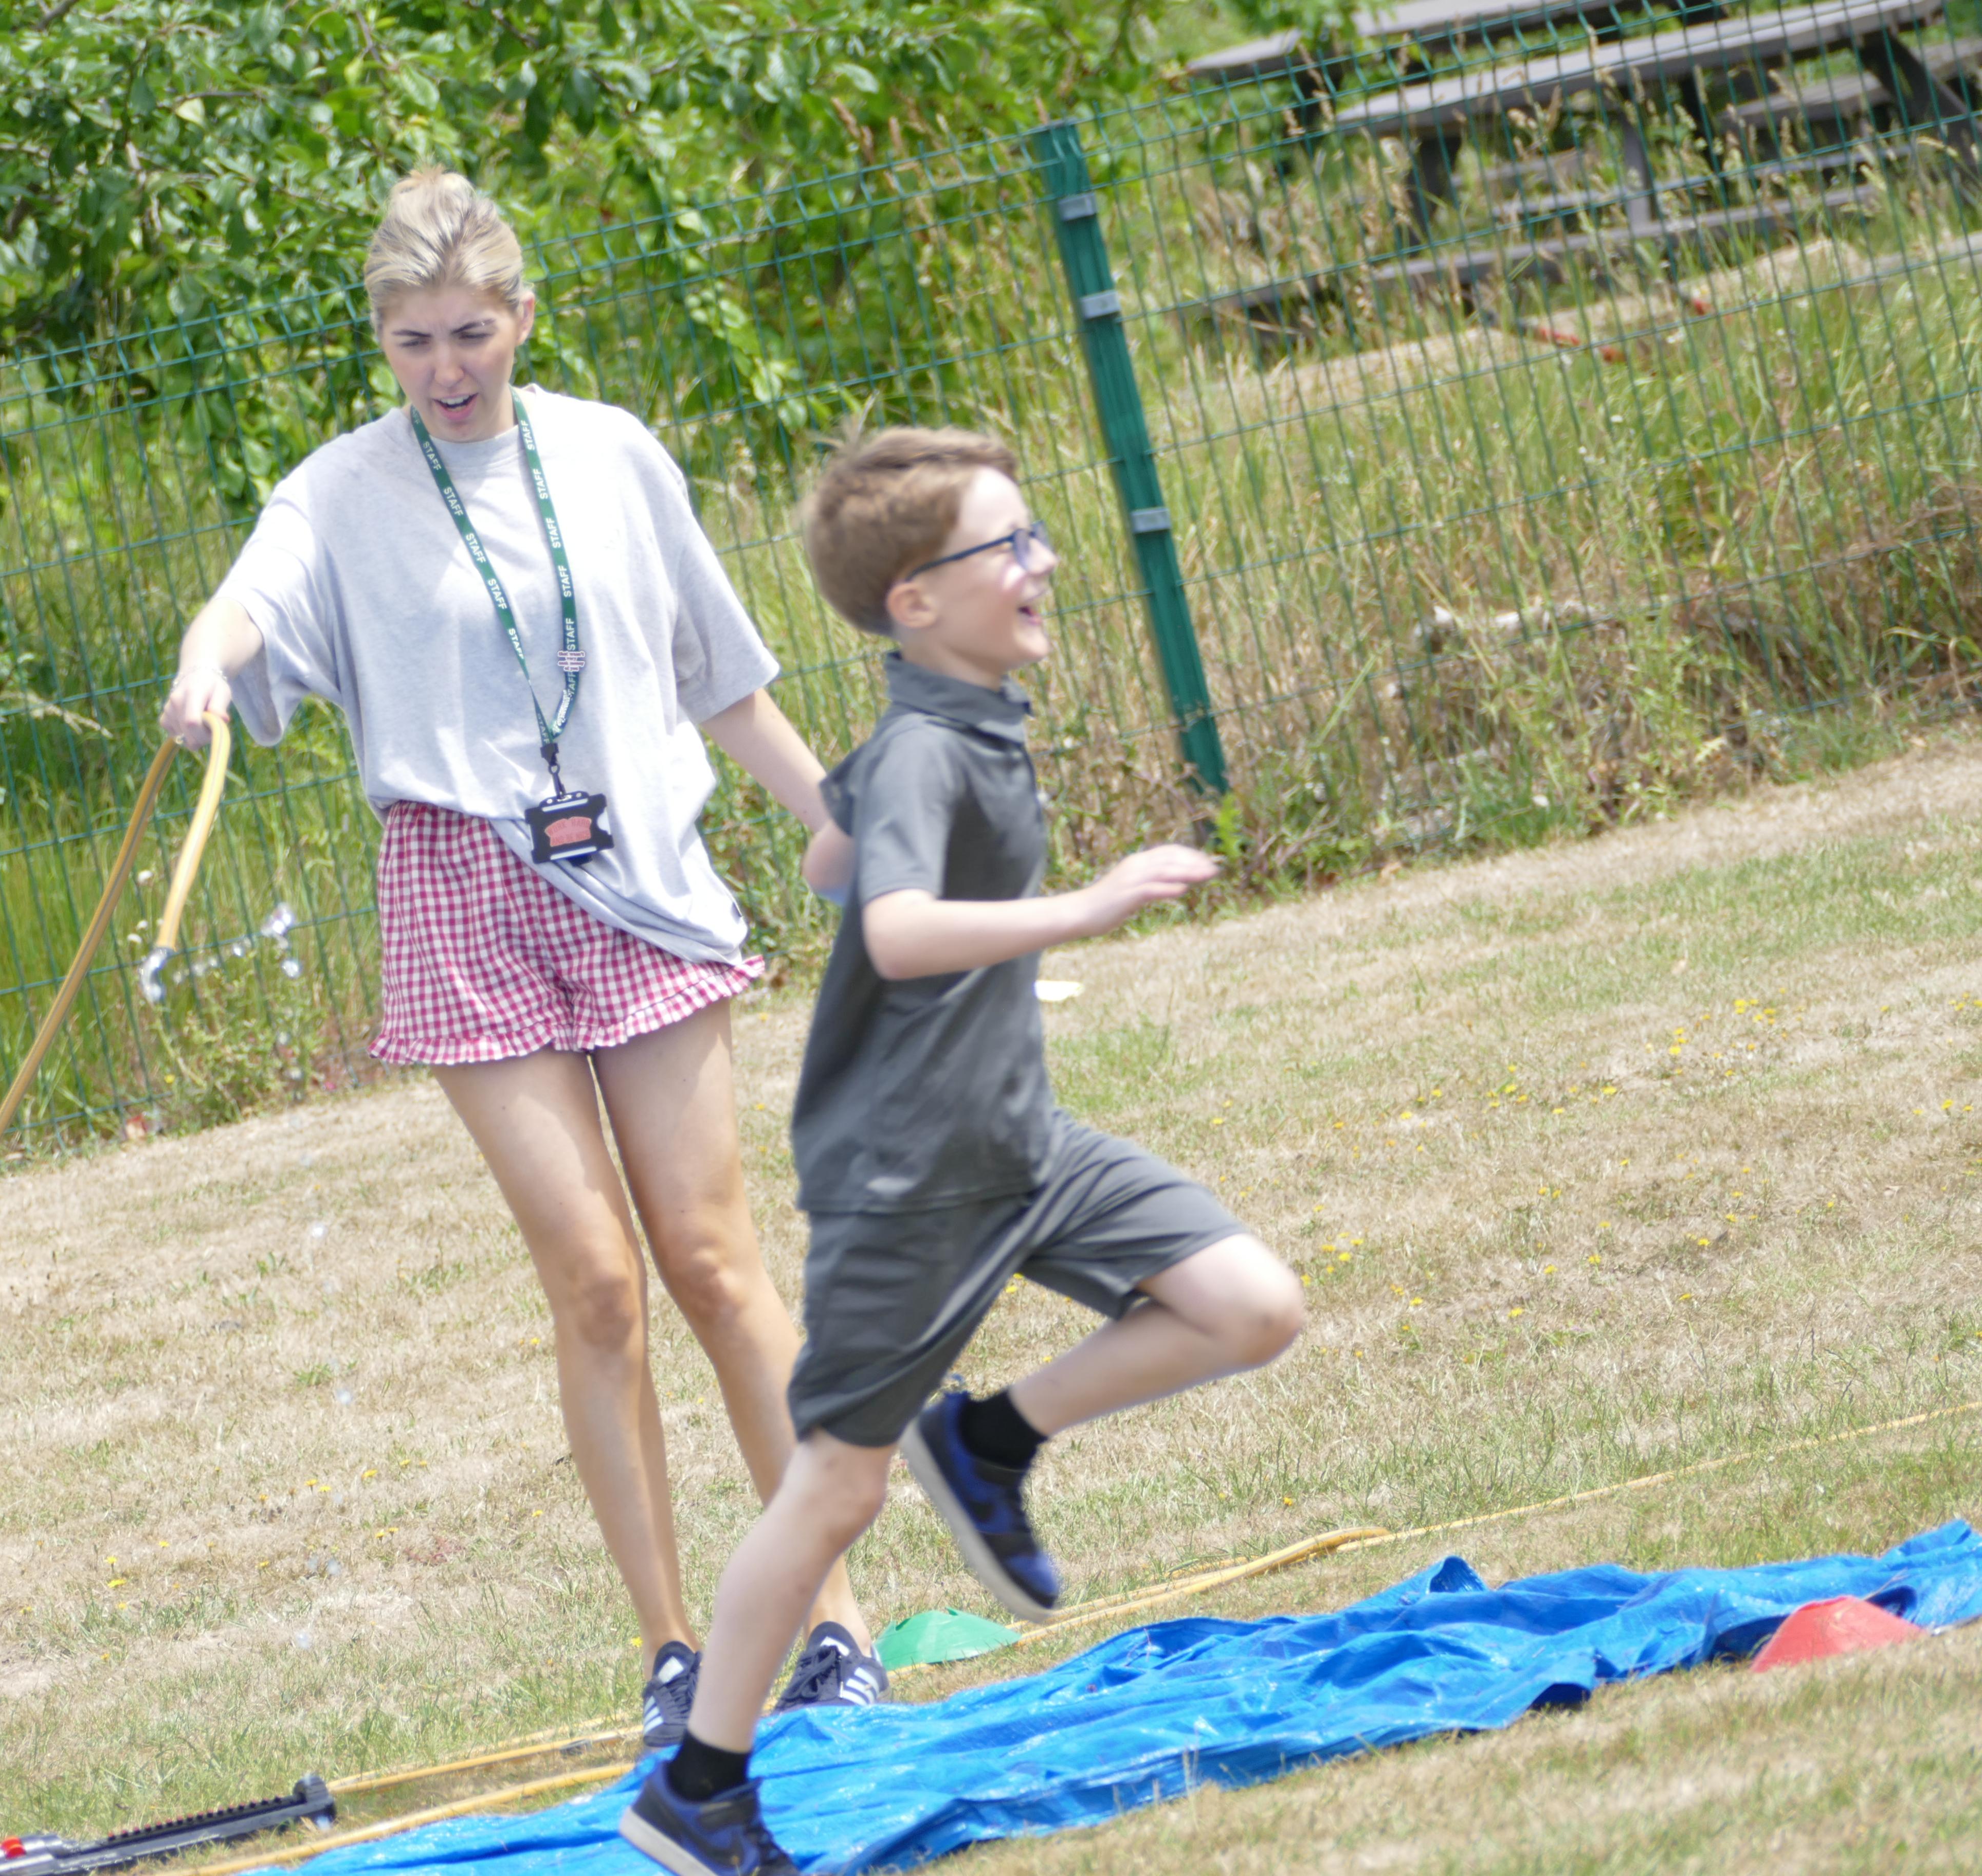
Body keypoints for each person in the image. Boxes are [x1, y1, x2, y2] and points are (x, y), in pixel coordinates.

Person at [157, 168, 879, 1745]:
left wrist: (846, 821)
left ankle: (832, 1624)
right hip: (461, 894)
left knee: (713, 1262)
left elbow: (718, 678)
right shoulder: (338, 493)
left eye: (471, 334)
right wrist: (204, 669)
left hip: (636, 875)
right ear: (381, 340)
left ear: (523, 316)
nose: (446, 369)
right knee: (599, 1285)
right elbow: (244, 607)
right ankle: (673, 1651)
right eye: (412, 341)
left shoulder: (612, 455)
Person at [620, 426, 1307, 1876]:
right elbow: (893, 928)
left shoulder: (945, 724)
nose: (1040, 562)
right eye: (1010, 546)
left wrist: (860, 822)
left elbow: (831, 855)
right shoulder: (934, 744)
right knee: (834, 1491)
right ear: (917, 600)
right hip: (912, 1180)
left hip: (1020, 1140)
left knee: (1250, 1305)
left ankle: (989, 1440)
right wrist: (1088, 905)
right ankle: (699, 1789)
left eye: (1032, 534)